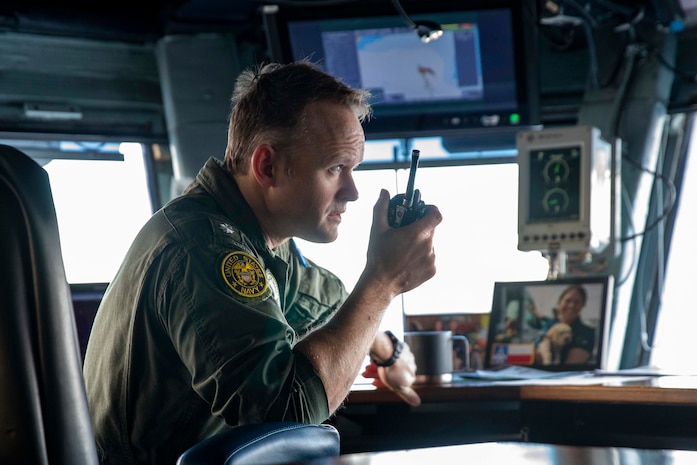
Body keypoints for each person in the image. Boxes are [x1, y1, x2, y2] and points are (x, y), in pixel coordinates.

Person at [82, 59, 442, 465]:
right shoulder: (205, 248)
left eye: (353, 168)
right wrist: (383, 282)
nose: (353, 192)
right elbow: (285, 416)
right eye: (335, 168)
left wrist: (387, 350)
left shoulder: (260, 235)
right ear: (267, 166)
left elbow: (324, 299)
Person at [532, 284, 595, 365]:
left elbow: (571, 366)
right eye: (568, 301)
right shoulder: (548, 326)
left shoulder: (586, 333)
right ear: (559, 303)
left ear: (582, 306)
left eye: (577, 302)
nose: (571, 305)